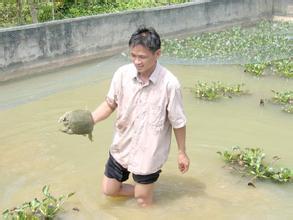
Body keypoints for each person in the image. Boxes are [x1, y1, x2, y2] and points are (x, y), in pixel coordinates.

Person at [91, 26, 190, 207]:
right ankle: (146, 191)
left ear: (157, 54)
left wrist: (182, 152)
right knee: (109, 190)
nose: (137, 61)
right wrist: (90, 120)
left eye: (142, 57)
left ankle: (146, 194)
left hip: (149, 152)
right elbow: (110, 104)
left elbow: (178, 122)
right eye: (133, 55)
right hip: (123, 146)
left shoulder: (170, 84)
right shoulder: (122, 74)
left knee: (143, 201)